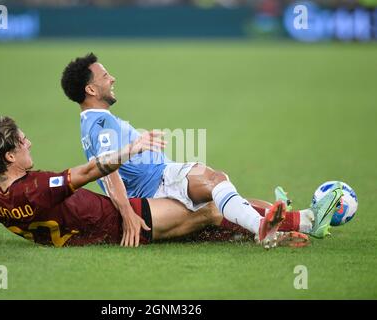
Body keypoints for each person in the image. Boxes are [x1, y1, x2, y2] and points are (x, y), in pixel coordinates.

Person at [60, 53, 343, 247]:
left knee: (220, 202)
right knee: (215, 182)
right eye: (105, 75)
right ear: (91, 90)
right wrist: (127, 213)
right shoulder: (100, 122)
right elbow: (107, 170)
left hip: (155, 186)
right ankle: (273, 227)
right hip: (156, 186)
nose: (112, 78)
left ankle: (303, 221)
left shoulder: (93, 122)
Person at [0, 116, 292, 248]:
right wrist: (131, 148)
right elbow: (91, 170)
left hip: (100, 232)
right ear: (9, 156)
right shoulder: (38, 187)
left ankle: (276, 228)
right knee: (210, 209)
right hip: (126, 220)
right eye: (22, 141)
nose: (29, 143)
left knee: (206, 224)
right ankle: (289, 224)